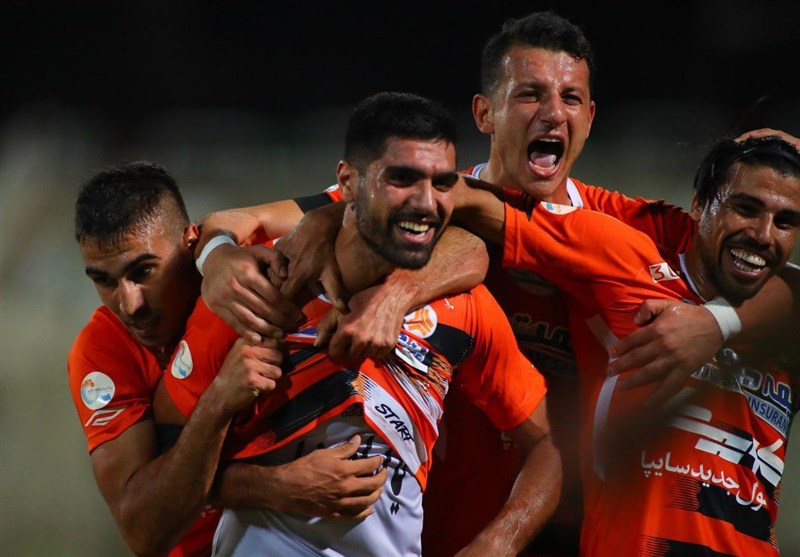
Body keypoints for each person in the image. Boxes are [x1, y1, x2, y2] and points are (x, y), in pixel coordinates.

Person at [191, 11, 800, 555]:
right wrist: (216, 257)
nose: (553, 113)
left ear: (589, 118)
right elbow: (234, 223)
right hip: (425, 528)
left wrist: (716, 322)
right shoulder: (418, 199)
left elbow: (779, 269)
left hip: (573, 530)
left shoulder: (627, 228)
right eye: (530, 94)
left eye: (571, 98)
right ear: (485, 112)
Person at [154, 91, 561, 557]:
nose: (425, 203)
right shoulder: (253, 295)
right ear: (347, 182)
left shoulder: (464, 308)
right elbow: (159, 493)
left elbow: (550, 446)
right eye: (402, 178)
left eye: (442, 184)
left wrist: (498, 543)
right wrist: (268, 482)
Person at [454, 134, 800, 555]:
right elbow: (472, 204)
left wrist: (718, 322)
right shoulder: (625, 260)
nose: (764, 235)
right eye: (745, 209)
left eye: (785, 222)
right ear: (698, 206)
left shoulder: (785, 333)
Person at [67, 162, 394, 556]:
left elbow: (426, 208)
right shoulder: (102, 348)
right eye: (103, 280)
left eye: (143, 271)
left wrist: (399, 295)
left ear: (189, 243)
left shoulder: (260, 263)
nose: (129, 304)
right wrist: (268, 477)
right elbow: (143, 527)